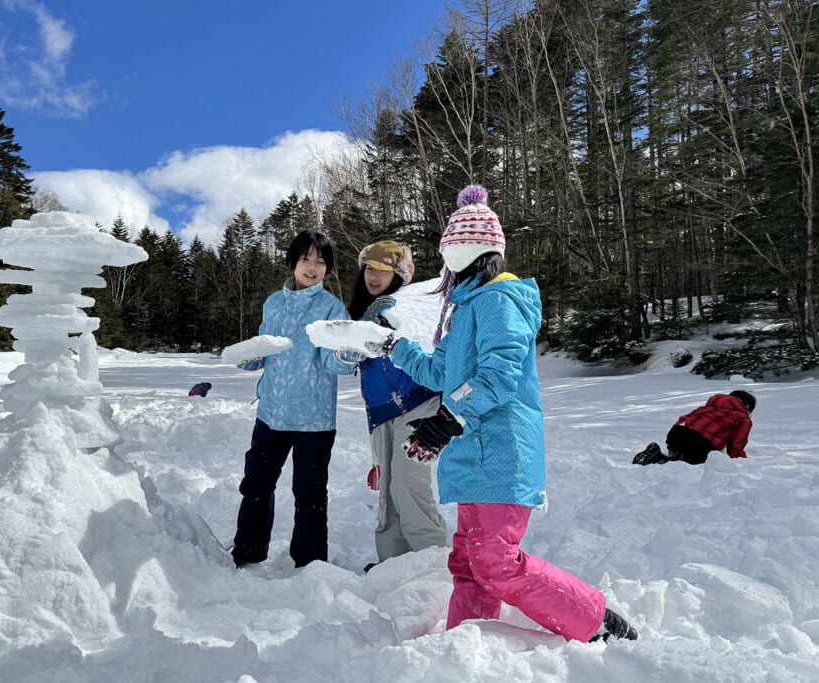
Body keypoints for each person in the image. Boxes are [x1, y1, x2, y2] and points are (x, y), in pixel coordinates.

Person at [364, 185, 637, 642]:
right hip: (475, 457)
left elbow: (500, 372)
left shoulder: (498, 299)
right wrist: (394, 346)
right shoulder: (466, 306)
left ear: (467, 250)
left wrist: (449, 419)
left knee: (494, 560)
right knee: (469, 563)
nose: (444, 256)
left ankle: (594, 620)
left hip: (502, 450)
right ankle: (468, 641)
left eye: (448, 247)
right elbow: (438, 370)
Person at [230, 231, 358, 568]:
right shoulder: (273, 302)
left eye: (320, 261)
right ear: (293, 261)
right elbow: (266, 346)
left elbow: (333, 363)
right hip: (271, 411)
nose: (313, 267)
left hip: (313, 417)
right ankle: (248, 552)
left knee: (310, 495)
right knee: (256, 484)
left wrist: (346, 356)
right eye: (306, 259)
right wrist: (253, 357)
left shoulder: (333, 307)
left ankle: (310, 564)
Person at [346, 240, 447, 570]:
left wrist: (393, 323)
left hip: (419, 401)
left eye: (383, 271)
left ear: (400, 275)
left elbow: (433, 347)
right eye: (369, 269)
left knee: (408, 481)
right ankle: (392, 566)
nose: (373, 276)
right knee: (388, 490)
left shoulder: (412, 306)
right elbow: (343, 359)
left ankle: (432, 564)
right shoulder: (360, 315)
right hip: (380, 411)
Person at [633, 390, 756, 466]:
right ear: (747, 406)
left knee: (682, 457)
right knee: (695, 465)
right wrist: (740, 463)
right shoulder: (742, 418)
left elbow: (686, 419)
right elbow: (736, 445)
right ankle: (665, 460)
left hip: (677, 433)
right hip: (699, 442)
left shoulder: (710, 406)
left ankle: (656, 455)